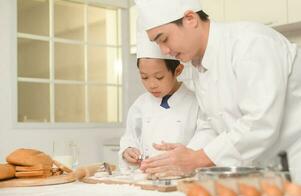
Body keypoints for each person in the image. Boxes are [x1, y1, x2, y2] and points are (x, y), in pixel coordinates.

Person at [135, 0, 301, 183]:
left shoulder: (250, 42)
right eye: (157, 43)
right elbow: (212, 124)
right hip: (266, 174)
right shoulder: (200, 66)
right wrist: (189, 155)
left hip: (295, 166)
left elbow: (260, 122)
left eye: (164, 39)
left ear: (190, 19)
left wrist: (196, 159)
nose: (164, 50)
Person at [118, 19, 215, 173]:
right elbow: (130, 136)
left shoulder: (197, 101)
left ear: (178, 71)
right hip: (146, 176)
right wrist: (128, 150)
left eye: (159, 77)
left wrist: (188, 155)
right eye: (144, 77)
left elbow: (207, 135)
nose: (151, 85)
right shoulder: (140, 104)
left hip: (183, 176)